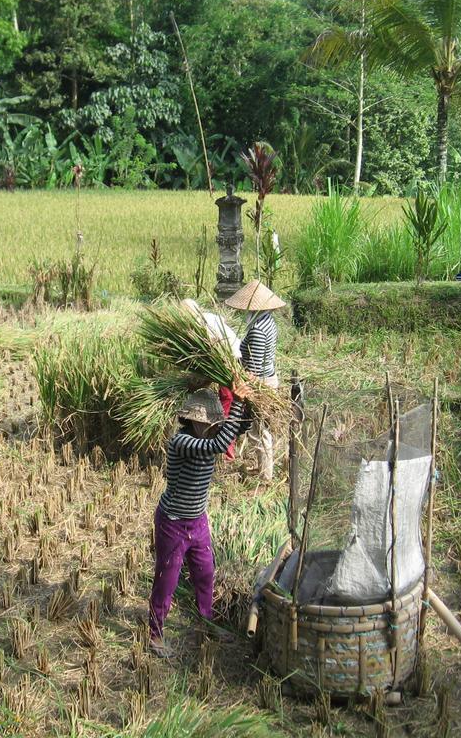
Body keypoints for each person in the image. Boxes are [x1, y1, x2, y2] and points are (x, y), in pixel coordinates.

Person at [148, 382, 253, 658]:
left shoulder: (210, 436)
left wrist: (249, 404)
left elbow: (239, 429)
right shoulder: (182, 442)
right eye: (205, 422)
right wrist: (238, 402)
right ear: (192, 420)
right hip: (173, 523)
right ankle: (155, 635)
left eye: (213, 421)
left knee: (206, 575)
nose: (210, 426)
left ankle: (207, 623)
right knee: (166, 581)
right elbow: (219, 444)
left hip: (198, 521)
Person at [224, 280, 286, 481]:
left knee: (259, 429)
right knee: (261, 428)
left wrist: (244, 385)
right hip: (267, 379)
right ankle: (263, 470)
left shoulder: (258, 328)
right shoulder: (268, 321)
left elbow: (255, 367)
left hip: (260, 383)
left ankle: (265, 475)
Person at [182, 297, 241, 460]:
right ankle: (221, 441)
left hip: (231, 358)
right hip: (225, 358)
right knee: (226, 399)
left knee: (227, 398)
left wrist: (202, 379)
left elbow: (213, 353)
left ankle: (226, 447)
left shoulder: (205, 324)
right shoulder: (204, 319)